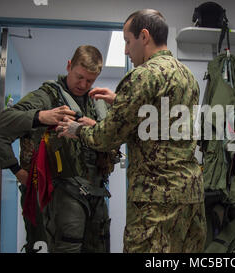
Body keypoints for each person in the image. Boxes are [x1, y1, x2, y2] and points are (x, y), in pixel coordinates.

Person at [58, 9, 206, 253]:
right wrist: (120, 101)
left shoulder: (142, 75)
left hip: (156, 199)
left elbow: (105, 138)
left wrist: (77, 129)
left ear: (144, 36)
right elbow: (162, 120)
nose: (126, 50)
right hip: (190, 193)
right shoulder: (186, 75)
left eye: (127, 41)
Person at [0, 45, 119, 253]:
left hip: (96, 197)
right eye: (79, 77)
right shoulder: (47, 96)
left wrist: (97, 127)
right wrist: (40, 116)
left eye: (90, 80)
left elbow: (118, 137)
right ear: (69, 66)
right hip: (57, 197)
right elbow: (2, 124)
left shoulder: (98, 103)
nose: (83, 84)